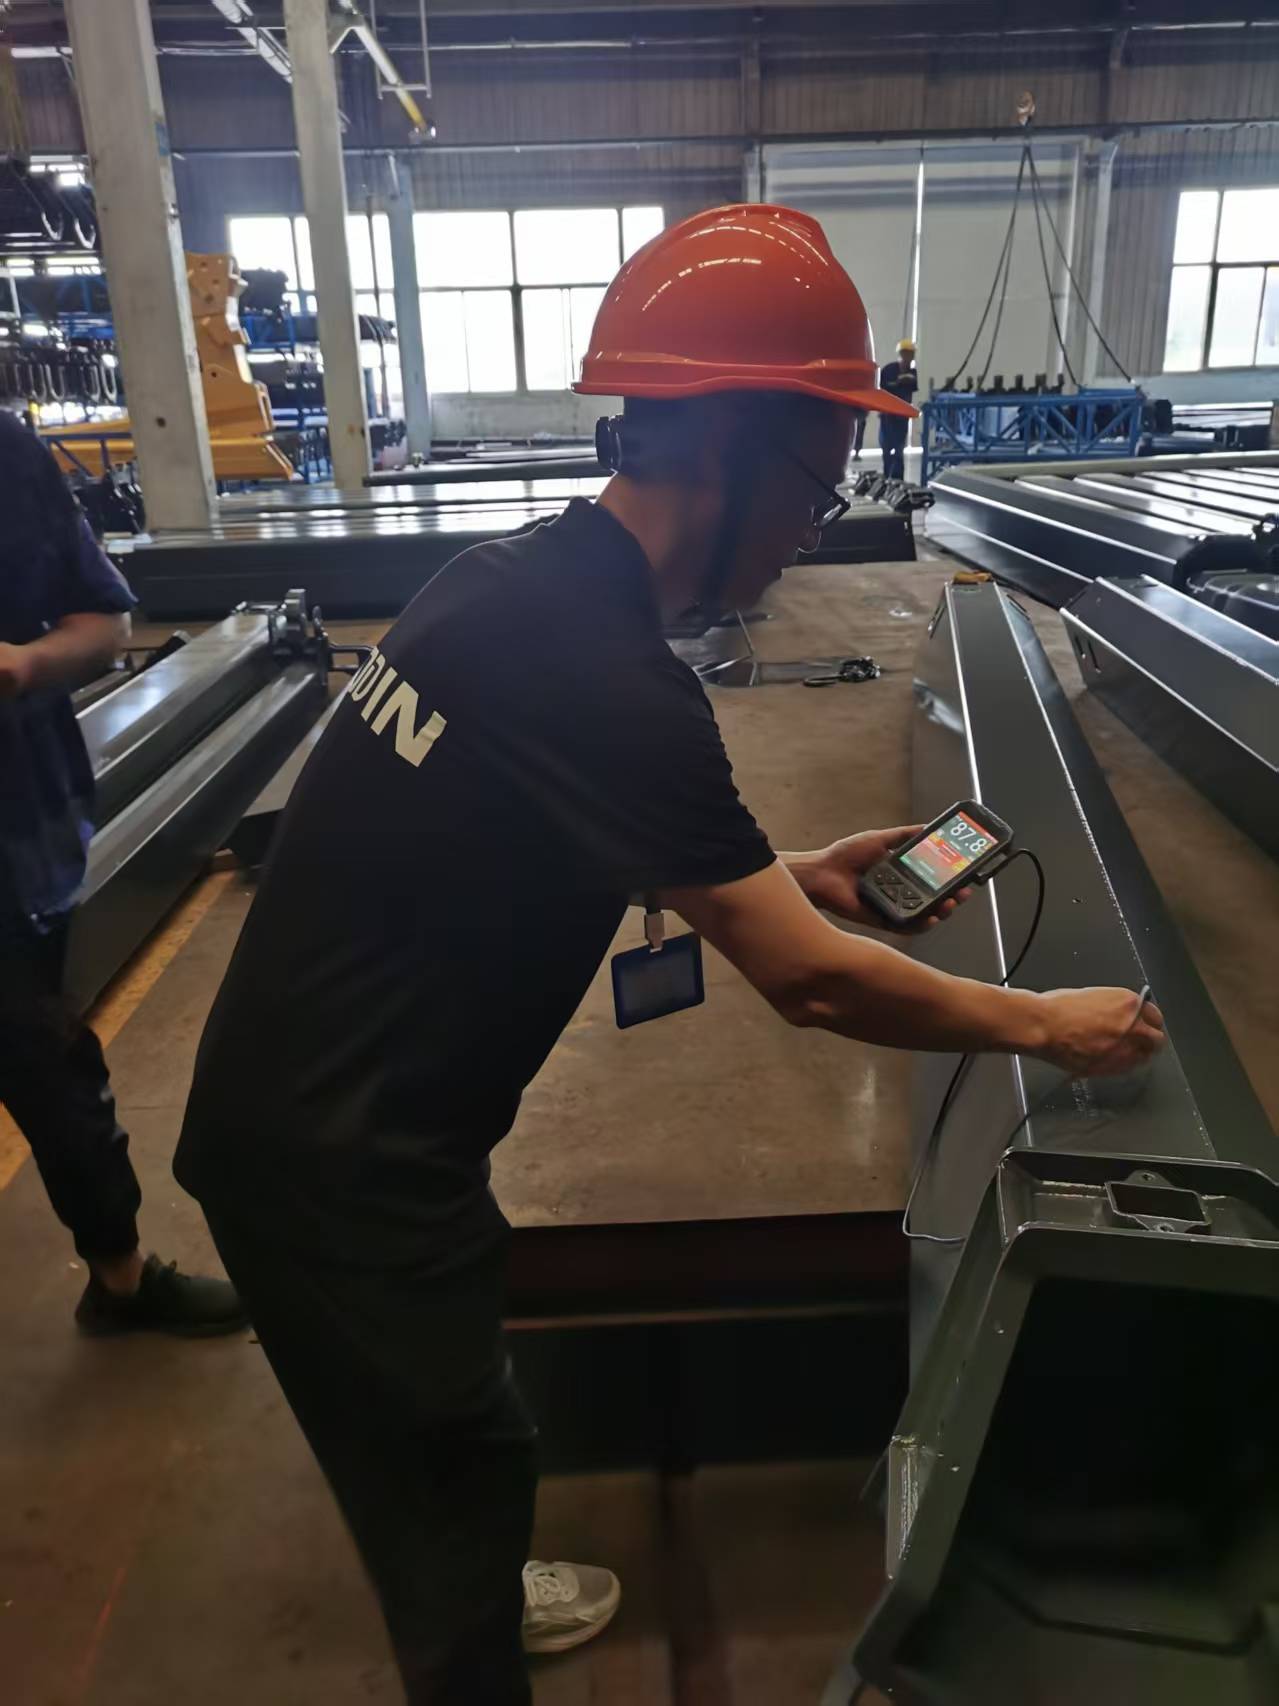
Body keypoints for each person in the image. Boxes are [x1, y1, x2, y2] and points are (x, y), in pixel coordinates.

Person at [173, 205, 1164, 1706]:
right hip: (345, 1164)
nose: (807, 532)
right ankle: (466, 1631)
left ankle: (467, 1569)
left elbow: (550, 813)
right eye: (814, 490)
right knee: (455, 1458)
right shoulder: (611, 676)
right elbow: (809, 982)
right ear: (727, 450)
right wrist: (1042, 1023)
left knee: (435, 1434)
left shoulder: (510, 583)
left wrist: (789, 874)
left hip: (312, 1107)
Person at [0, 413, 246, 1338]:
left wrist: (23, 665)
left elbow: (104, 626)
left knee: (52, 1067)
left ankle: (121, 1278)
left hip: (14, 846)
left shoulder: (9, 458)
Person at [878, 336, 919, 480]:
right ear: (901, 354)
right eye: (906, 353)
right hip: (887, 416)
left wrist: (903, 381)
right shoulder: (888, 370)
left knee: (899, 451)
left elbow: (912, 388)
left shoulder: (912, 373)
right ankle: (886, 477)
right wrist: (897, 382)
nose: (909, 357)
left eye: (911, 354)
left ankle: (897, 479)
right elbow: (882, 388)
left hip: (901, 418)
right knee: (886, 449)